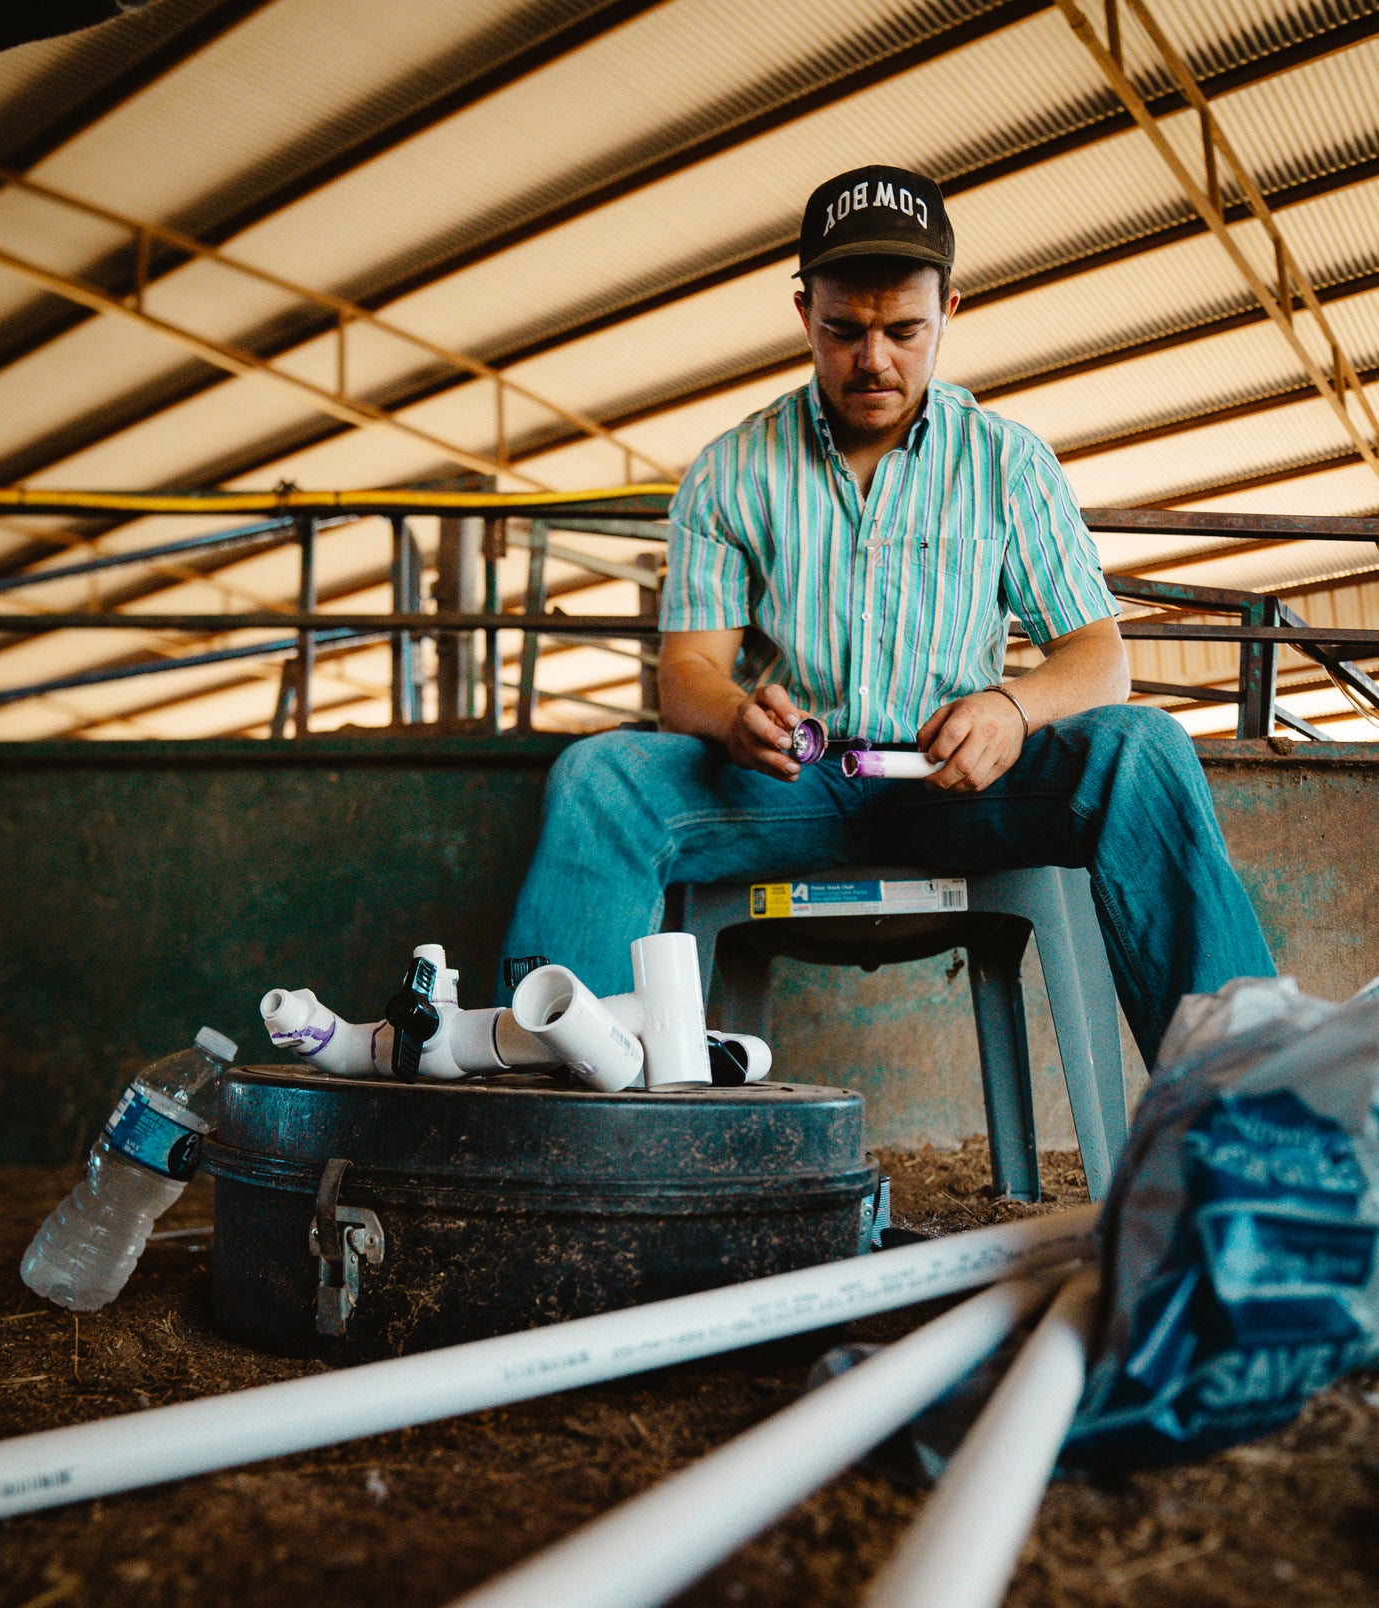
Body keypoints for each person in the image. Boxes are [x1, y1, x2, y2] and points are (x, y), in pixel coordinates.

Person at [500, 165, 1273, 1065]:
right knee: (601, 777)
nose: (874, 359)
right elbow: (688, 677)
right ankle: (551, 1115)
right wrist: (735, 715)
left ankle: (1244, 1104)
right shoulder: (732, 467)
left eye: (904, 329)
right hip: (795, 787)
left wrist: (1012, 710)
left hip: (959, 787)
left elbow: (1098, 659)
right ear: (803, 315)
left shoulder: (1006, 463)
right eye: (844, 330)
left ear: (949, 309)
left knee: (1142, 748)